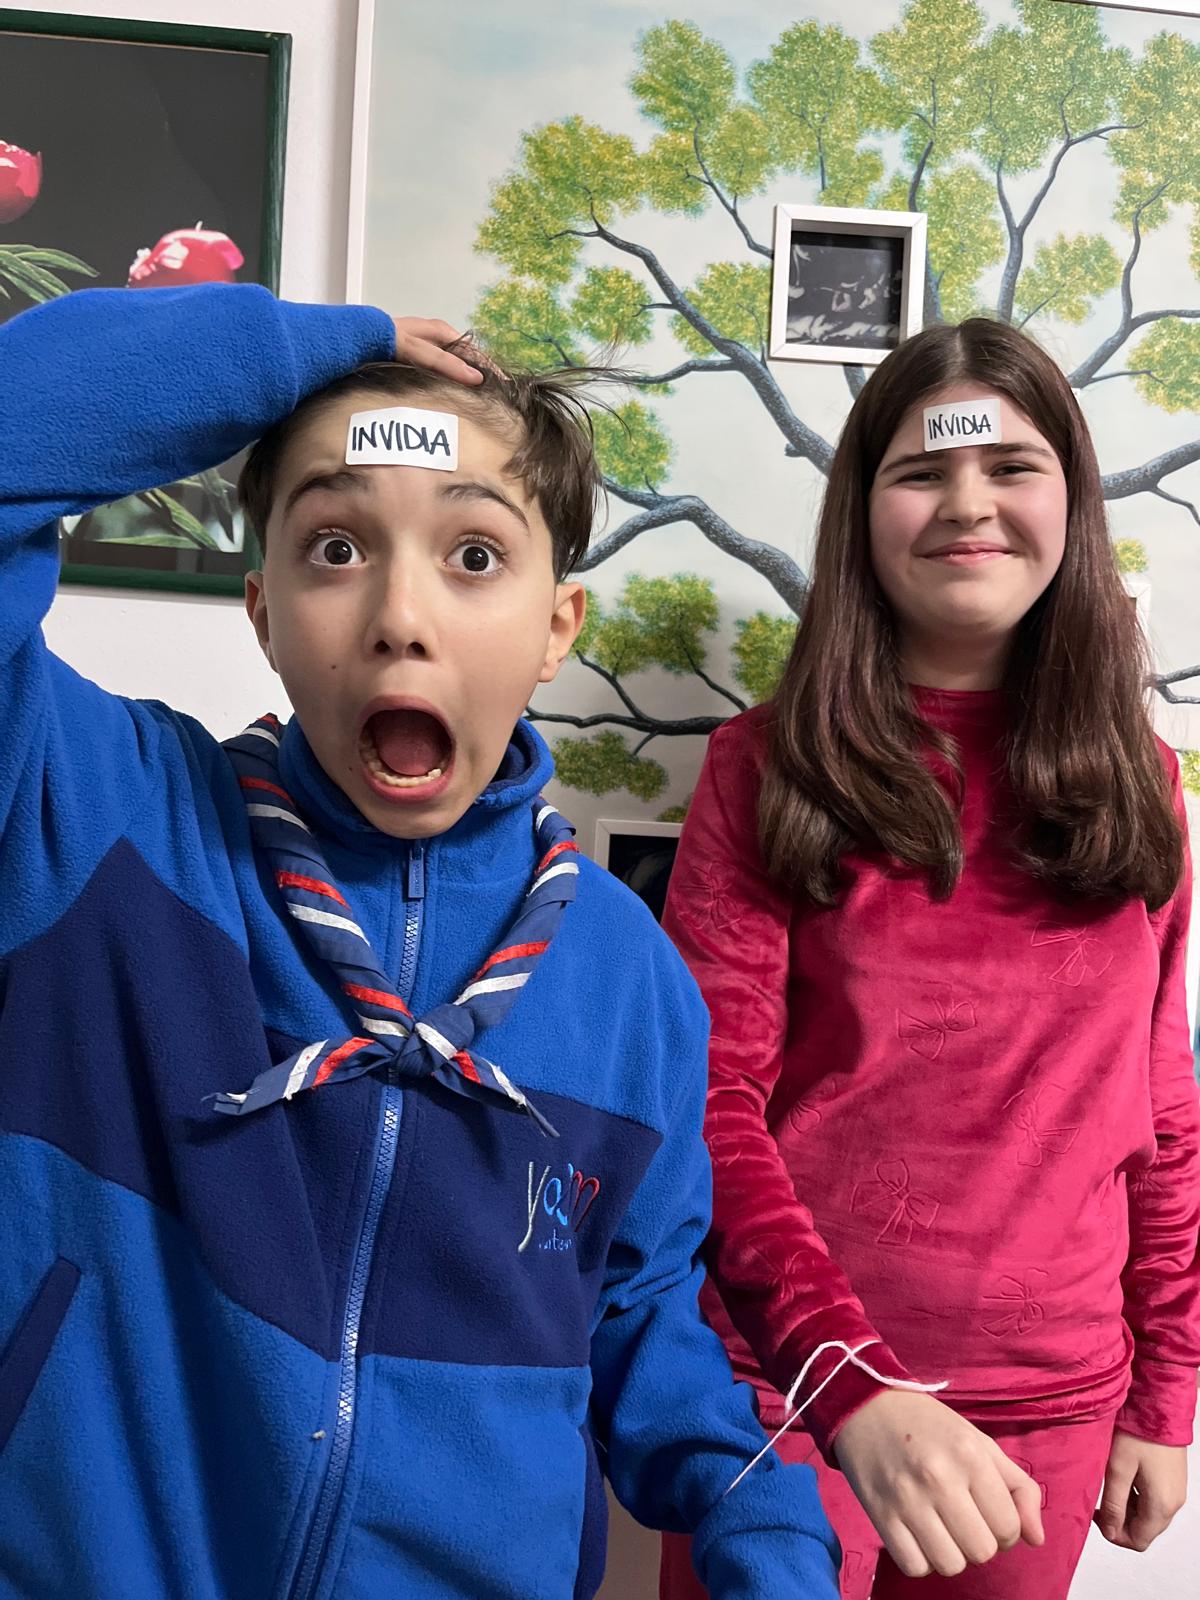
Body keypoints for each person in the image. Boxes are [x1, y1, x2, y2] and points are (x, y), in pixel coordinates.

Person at [0, 282, 840, 1600]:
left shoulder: (630, 982)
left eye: (474, 555)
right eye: (335, 547)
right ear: (263, 611)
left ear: (558, 626)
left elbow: (642, 1324)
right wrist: (322, 342)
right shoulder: (99, 818)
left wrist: (771, 1536)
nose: (402, 614)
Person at [659, 317, 1200, 1600]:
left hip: (1048, 1414)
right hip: (789, 1399)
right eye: (921, 471)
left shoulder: (1147, 782)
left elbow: (1162, 1106)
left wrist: (1168, 1389)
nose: (968, 503)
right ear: (862, 511)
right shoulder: (761, 769)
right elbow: (709, 1107)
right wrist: (847, 1383)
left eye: (1011, 466)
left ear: (1071, 497)